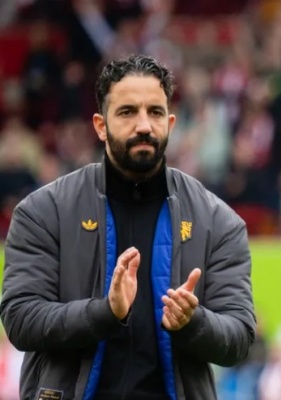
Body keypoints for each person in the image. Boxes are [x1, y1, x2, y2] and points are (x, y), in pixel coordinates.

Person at [0, 54, 256, 400]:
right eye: (127, 112)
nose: (144, 125)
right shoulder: (43, 212)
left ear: (171, 123)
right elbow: (20, 319)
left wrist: (193, 322)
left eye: (155, 112)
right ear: (100, 125)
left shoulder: (219, 222)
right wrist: (105, 312)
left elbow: (239, 337)